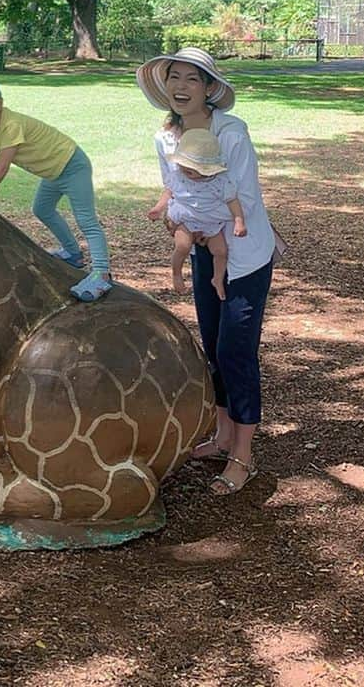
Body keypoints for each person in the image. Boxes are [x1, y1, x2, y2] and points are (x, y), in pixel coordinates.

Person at [136, 47, 276, 496]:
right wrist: (178, 222)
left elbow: (243, 197)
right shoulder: (165, 138)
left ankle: (242, 456)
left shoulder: (232, 133)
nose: (180, 87)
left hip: (245, 252)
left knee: (237, 351)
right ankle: (220, 437)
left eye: (192, 79)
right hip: (203, 250)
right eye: (173, 77)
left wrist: (200, 225)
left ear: (210, 88)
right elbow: (173, 188)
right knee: (213, 347)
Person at [0, 71, 113, 301]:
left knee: (87, 220)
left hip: (72, 165)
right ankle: (73, 253)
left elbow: (1, 167)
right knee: (42, 209)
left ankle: (102, 274)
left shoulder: (10, 125)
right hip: (53, 171)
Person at [149, 127, 247, 301]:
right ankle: (176, 273)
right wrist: (158, 208)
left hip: (211, 225)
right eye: (183, 165)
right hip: (185, 221)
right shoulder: (177, 176)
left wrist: (239, 222)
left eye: (191, 169)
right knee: (182, 246)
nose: (185, 171)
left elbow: (233, 201)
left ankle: (217, 279)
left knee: (221, 251)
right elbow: (168, 192)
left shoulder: (220, 182)